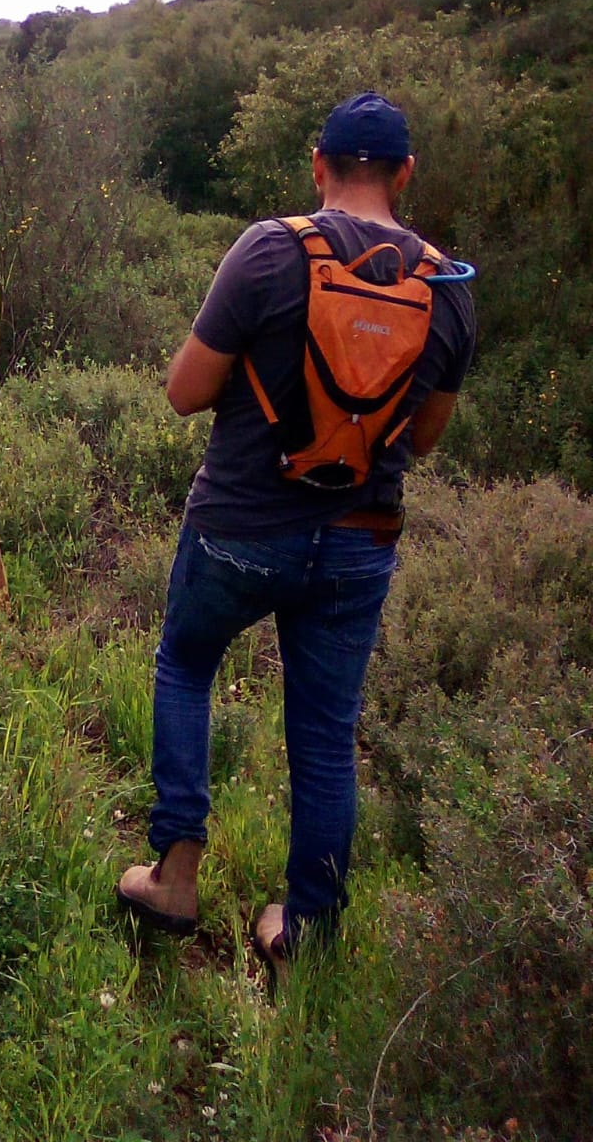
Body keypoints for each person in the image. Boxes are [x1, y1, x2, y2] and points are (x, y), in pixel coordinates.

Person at [116, 92, 476, 966]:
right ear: (405, 175)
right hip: (360, 539)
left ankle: (175, 877)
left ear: (319, 165)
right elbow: (423, 437)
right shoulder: (449, 288)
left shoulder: (270, 249)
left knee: (187, 666)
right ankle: (306, 930)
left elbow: (184, 391)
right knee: (324, 736)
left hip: (239, 527)